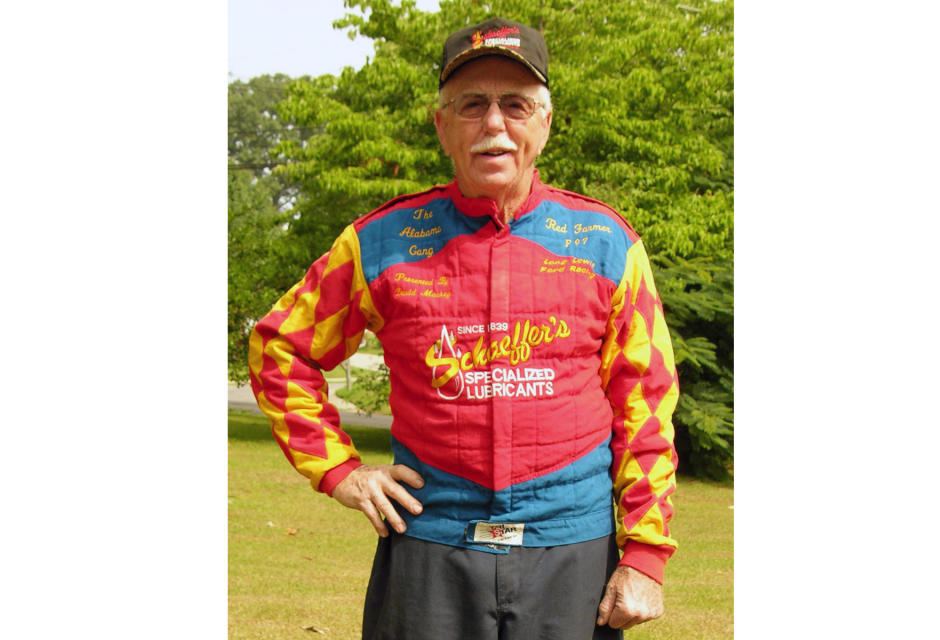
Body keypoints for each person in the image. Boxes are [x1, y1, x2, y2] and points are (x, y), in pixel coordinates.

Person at [249, 17, 679, 640]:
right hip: (430, 546)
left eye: (516, 104)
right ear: (442, 125)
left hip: (570, 549)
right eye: (472, 105)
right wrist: (342, 472)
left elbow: (647, 402)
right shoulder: (380, 242)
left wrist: (645, 554)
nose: (495, 124)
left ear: (545, 123)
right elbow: (279, 346)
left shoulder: (608, 244)